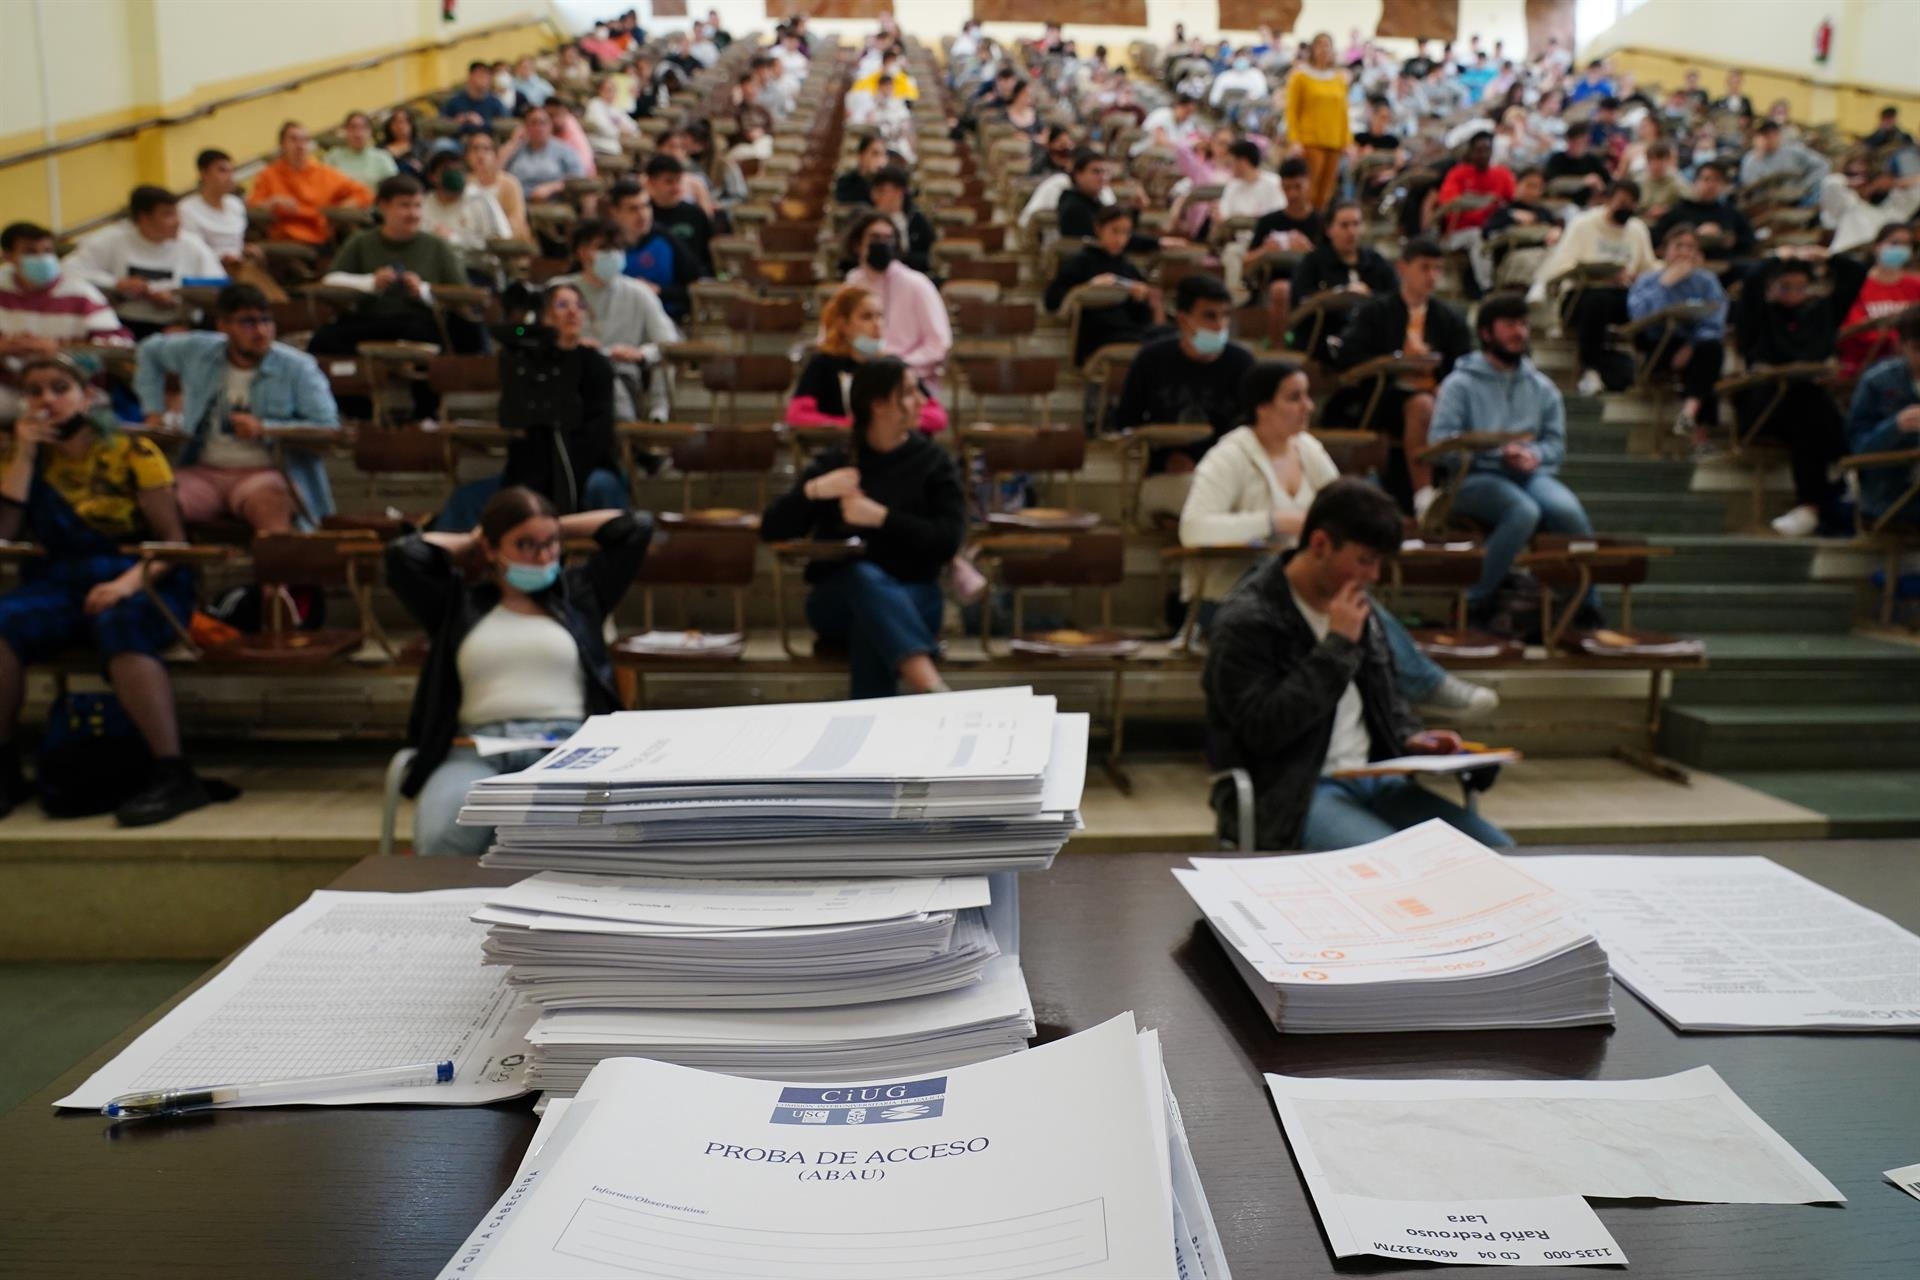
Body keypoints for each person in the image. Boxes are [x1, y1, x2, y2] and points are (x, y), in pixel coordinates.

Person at [1177, 359, 1502, 717]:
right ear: (1262, 406)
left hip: (1304, 588)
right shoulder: (1228, 456)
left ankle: (1399, 706)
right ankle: (1424, 686)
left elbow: (1347, 508)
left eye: (1307, 397)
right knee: (1339, 594)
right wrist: (1273, 521)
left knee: (1347, 589)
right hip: (1228, 598)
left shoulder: (1308, 449)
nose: (1308, 406)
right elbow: (1193, 529)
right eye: (1295, 398)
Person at [1202, 478, 1513, 851]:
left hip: (1376, 777)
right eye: (1365, 560)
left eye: (1379, 562)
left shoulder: (1360, 610)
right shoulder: (1248, 620)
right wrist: (1337, 646)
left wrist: (1412, 739)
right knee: (1387, 874)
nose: (1374, 576)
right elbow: (1262, 731)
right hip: (1293, 791)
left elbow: (1386, 704)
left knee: (1498, 852)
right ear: (1320, 544)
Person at [0, 354, 211, 826]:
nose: (47, 400)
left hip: (142, 574)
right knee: (2, 622)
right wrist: (26, 454)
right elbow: (6, 533)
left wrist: (124, 584)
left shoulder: (133, 451)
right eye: (35, 392)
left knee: (122, 622)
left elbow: (172, 544)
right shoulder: (18, 456)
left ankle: (173, 772)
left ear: (88, 396)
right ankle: (5, 767)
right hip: (59, 578)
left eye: (59, 388)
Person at [389, 487, 652, 855]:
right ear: (492, 549)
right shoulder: (456, 603)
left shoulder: (579, 594)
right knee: (441, 838)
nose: (543, 556)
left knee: (579, 838)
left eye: (551, 544)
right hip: (473, 749)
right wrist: (473, 539)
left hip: (566, 748)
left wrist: (555, 525)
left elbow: (635, 528)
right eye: (525, 544)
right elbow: (404, 555)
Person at [759, 358, 963, 700]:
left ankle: (884, 730)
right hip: (836, 601)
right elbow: (771, 528)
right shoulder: (839, 462)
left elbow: (948, 540)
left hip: (915, 595)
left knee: (871, 623)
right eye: (910, 393)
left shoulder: (933, 463)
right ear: (879, 405)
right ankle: (931, 687)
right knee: (862, 579)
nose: (923, 402)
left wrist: (881, 517)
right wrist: (814, 491)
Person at [1428, 294, 1598, 629]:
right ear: (1487, 333)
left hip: (1527, 474)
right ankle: (1473, 601)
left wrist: (1533, 455)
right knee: (1523, 511)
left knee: (1568, 510)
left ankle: (1587, 604)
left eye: (1523, 324)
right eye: (1509, 325)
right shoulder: (1459, 383)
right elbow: (1440, 445)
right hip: (1472, 477)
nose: (1519, 332)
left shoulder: (1542, 387)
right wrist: (1495, 453)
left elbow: (1555, 445)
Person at [134, 283, 338, 533]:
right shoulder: (199, 351)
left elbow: (328, 429)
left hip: (264, 473)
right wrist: (153, 411)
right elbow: (148, 350)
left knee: (272, 503)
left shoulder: (299, 368)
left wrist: (266, 429)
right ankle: (175, 558)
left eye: (266, 321)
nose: (261, 331)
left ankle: (275, 568)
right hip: (204, 471)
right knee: (155, 499)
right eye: (248, 323)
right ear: (223, 326)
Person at [310, 176, 477, 407]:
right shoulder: (361, 242)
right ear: (384, 207)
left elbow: (462, 294)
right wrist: (371, 283)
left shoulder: (437, 246)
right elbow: (331, 280)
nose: (413, 213)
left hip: (419, 320)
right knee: (324, 340)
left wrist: (424, 291)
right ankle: (353, 410)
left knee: (439, 338)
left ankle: (425, 417)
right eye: (404, 205)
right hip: (371, 319)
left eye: (417, 205)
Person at [1328, 238, 1472, 507]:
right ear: (1402, 268)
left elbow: (1463, 364)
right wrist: (1396, 360)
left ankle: (1462, 494)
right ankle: (1424, 498)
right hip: (1384, 398)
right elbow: (1349, 356)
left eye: (1437, 269)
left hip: (1439, 397)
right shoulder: (1375, 311)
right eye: (1424, 268)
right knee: (1421, 405)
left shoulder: (1449, 318)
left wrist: (1442, 380)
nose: (1432, 276)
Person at [1734, 252, 1861, 536]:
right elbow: (1752, 281)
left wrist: (1826, 255)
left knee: (1808, 419)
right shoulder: (1758, 315)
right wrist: (1779, 257)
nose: (1793, 294)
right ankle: (1848, 464)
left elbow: (1854, 274)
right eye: (1785, 286)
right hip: (1764, 405)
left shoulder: (1819, 314)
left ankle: (1810, 507)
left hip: (1806, 410)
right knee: (1807, 401)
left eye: (1800, 287)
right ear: (1772, 287)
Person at [1113, 273, 1255, 475]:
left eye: (1225, 316)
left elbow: (1254, 427)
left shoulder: (1243, 363)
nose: (1220, 325)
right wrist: (1164, 458)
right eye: (1210, 316)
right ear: (1183, 319)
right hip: (1166, 470)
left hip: (1229, 469)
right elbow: (1126, 422)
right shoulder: (1151, 359)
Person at [1530, 180, 1657, 397]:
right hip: (1582, 294)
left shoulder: (1638, 229)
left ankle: (1649, 368)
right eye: (1622, 202)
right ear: (1608, 200)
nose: (1626, 209)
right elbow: (1563, 265)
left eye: (1631, 204)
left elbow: (1648, 266)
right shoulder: (1583, 224)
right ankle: (1591, 369)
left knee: (1649, 302)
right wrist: (1601, 273)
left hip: (1623, 294)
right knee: (1597, 301)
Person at [0, 223, 131, 423]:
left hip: (72, 389)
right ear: (8, 256)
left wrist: (58, 351)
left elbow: (119, 346)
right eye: (30, 252)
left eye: (47, 251)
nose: (42, 258)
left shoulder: (81, 293)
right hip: (12, 389)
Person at [558, 219, 680, 422]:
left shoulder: (640, 293)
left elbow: (669, 344)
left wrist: (641, 355)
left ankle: (642, 433)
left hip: (622, 374)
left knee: (611, 389)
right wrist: (567, 344)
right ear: (581, 252)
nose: (612, 254)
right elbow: (525, 334)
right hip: (568, 373)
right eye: (603, 248)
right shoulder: (560, 290)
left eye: (617, 248)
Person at [61, 186, 225, 338]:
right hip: (125, 324)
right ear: (144, 218)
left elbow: (219, 286)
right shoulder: (112, 240)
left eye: (177, 214)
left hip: (179, 326)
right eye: (168, 215)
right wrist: (116, 283)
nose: (177, 222)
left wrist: (179, 300)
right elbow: (67, 270)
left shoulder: (192, 245)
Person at [786, 284, 948, 433]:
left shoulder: (893, 365)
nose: (877, 324)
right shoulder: (823, 364)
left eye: (880, 316)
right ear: (844, 324)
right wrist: (850, 426)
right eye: (867, 317)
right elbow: (797, 415)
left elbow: (937, 416)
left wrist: (895, 422)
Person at [1627, 225, 1729, 450]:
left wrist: (1691, 347)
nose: (1684, 252)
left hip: (1695, 346)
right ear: (1665, 251)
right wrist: (1665, 285)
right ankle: (1698, 433)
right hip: (1658, 346)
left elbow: (1715, 319)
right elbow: (1639, 318)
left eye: (1690, 247)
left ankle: (1689, 413)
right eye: (1678, 246)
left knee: (1711, 350)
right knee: (1707, 363)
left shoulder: (1706, 281)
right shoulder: (1648, 280)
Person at [843, 211, 951, 398]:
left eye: (889, 238)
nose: (883, 244)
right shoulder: (851, 284)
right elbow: (835, 334)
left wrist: (899, 364)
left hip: (911, 381)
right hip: (861, 378)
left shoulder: (917, 284)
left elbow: (939, 344)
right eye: (875, 238)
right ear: (857, 245)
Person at [1044, 206, 1161, 370]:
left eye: (1126, 233)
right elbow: (1051, 299)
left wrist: (1144, 299)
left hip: (1129, 330)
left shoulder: (1129, 268)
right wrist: (1090, 287)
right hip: (1097, 334)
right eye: (1114, 231)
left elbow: (1142, 316)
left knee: (1168, 339)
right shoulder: (1081, 262)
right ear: (1098, 228)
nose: (1120, 239)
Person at [1286, 201, 1396, 354]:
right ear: (1329, 229)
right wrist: (1337, 295)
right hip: (1324, 336)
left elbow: (1395, 298)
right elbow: (1301, 302)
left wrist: (1369, 296)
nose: (1351, 232)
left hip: (1371, 336)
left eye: (1356, 224)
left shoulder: (1376, 261)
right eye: (1344, 225)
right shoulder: (1313, 262)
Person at [1845, 310, 1920, 528]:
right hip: (1892, 496)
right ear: (1901, 346)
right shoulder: (1878, 381)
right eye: (1917, 349)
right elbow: (1857, 447)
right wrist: (1895, 427)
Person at [246, 121, 372, 246]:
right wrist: (272, 202)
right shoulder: (268, 175)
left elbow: (364, 193)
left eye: (304, 140)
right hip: (285, 236)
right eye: (294, 140)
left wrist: (341, 209)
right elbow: (252, 206)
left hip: (321, 234)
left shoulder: (324, 172)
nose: (300, 146)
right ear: (282, 145)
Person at [1838, 224, 1920, 379]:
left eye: (1907, 244)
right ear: (1876, 246)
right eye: (1895, 243)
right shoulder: (1856, 285)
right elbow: (1850, 332)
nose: (1901, 249)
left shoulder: (1916, 284)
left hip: (1912, 362)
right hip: (1867, 363)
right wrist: (1897, 340)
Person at [1285, 33, 1353, 210]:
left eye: (1328, 45)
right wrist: (1294, 140)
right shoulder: (1301, 77)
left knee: (1327, 190)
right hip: (1310, 140)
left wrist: (1347, 141)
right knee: (1310, 189)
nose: (1324, 49)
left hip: (1334, 141)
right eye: (1320, 45)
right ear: (1313, 49)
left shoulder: (1338, 78)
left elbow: (1343, 112)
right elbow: (1292, 110)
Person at [1651, 161, 1756, 267]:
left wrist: (1730, 240)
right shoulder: (1680, 210)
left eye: (1717, 180)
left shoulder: (1730, 212)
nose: (1711, 185)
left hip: (1725, 264)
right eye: (1706, 179)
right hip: (1685, 265)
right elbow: (1657, 238)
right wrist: (1692, 236)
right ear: (1695, 182)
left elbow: (1749, 240)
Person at [420, 150, 512, 261]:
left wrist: (454, 239)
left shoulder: (482, 200)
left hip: (476, 269)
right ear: (432, 177)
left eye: (459, 170)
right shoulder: (422, 204)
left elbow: (501, 241)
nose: (454, 173)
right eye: (447, 170)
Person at [644, 155, 715, 279]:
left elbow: (708, 259)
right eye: (669, 182)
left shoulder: (696, 214)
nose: (676, 188)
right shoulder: (643, 214)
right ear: (651, 183)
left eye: (678, 181)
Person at [177, 149, 251, 265]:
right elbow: (193, 250)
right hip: (208, 270)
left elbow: (236, 243)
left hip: (240, 265)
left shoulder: (235, 205)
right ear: (203, 173)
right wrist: (222, 258)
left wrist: (245, 249)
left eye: (232, 171)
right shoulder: (186, 209)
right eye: (222, 171)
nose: (229, 177)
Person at [503, 106, 586, 204]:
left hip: (551, 202)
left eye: (543, 123)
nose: (538, 127)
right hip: (515, 202)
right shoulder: (516, 148)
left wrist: (553, 187)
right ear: (526, 127)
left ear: (550, 126)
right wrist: (512, 143)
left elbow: (578, 178)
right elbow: (496, 172)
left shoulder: (563, 150)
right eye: (533, 123)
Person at [866, 167, 937, 276]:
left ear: (898, 192)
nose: (875, 197)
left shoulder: (917, 221)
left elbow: (928, 256)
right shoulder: (866, 221)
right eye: (874, 191)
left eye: (881, 191)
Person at [463, 130, 531, 244]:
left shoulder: (510, 184)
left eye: (486, 149)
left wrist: (494, 235)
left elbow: (517, 221)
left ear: (495, 154)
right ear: (467, 156)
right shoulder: (463, 184)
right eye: (475, 149)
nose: (480, 154)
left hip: (505, 245)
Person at [322, 112, 399, 191]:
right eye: (352, 128)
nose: (357, 133)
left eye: (363, 128)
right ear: (345, 131)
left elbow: (394, 187)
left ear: (370, 131)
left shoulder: (382, 157)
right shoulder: (333, 157)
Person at [1542, 127, 1611, 208]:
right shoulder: (1557, 159)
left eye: (1584, 142)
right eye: (1578, 142)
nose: (1582, 146)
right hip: (1564, 203)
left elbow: (1608, 182)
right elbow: (1552, 183)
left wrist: (1600, 189)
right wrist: (1584, 181)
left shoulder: (1592, 160)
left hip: (1591, 203)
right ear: (1569, 141)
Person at [440, 61, 509, 134]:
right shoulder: (455, 101)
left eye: (487, 76)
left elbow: (506, 123)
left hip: (486, 140)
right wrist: (455, 122)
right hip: (459, 139)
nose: (484, 80)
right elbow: (440, 122)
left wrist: (482, 123)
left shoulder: (495, 102)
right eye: (480, 75)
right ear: (470, 77)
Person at [583, 77, 639, 158]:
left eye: (613, 90)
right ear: (599, 91)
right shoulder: (595, 104)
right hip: (600, 143)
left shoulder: (614, 107)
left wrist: (626, 130)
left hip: (616, 141)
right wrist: (620, 131)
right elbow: (602, 127)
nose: (610, 93)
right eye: (607, 90)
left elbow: (633, 125)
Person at [835, 134, 890, 206]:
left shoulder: (888, 184)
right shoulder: (846, 182)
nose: (880, 160)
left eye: (883, 155)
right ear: (861, 155)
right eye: (875, 154)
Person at [380, 108, 430, 180]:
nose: (401, 126)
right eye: (396, 122)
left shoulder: (422, 146)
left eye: (405, 122)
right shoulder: (380, 150)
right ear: (389, 125)